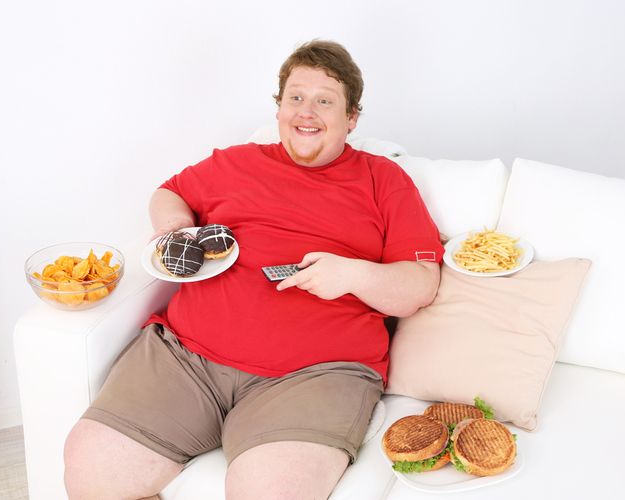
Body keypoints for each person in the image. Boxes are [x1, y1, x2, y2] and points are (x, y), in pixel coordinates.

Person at [63, 40, 444, 500]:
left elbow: (420, 286)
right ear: (279, 108)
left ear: (352, 118)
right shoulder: (233, 162)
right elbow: (168, 192)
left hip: (315, 375)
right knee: (92, 468)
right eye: (295, 98)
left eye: (325, 100)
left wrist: (353, 275)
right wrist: (177, 228)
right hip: (185, 358)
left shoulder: (384, 180)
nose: (307, 111)